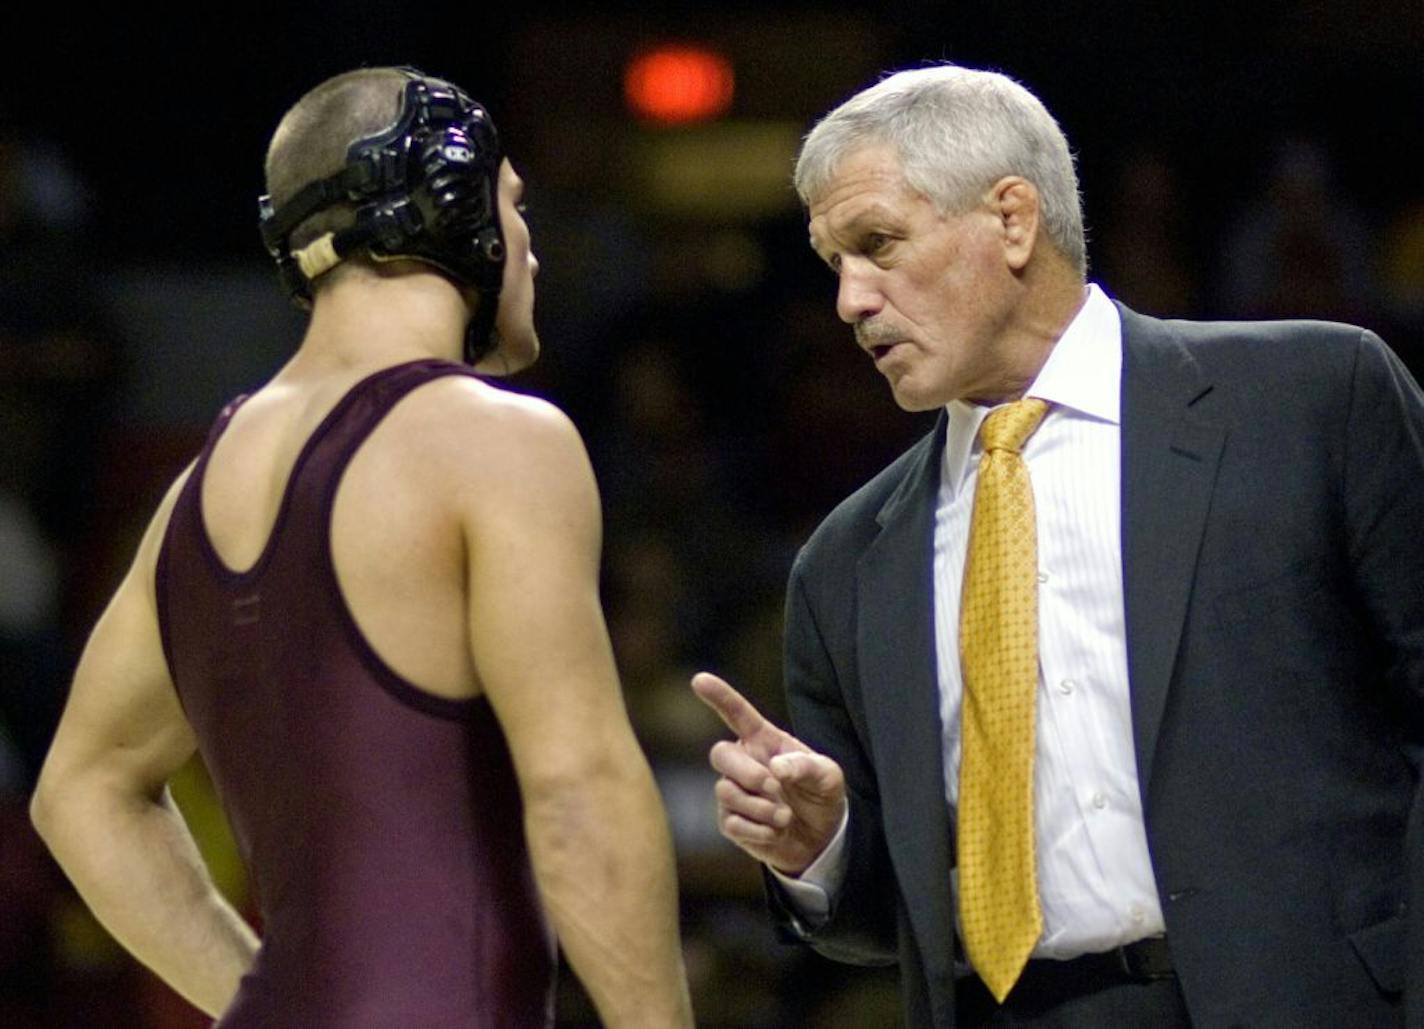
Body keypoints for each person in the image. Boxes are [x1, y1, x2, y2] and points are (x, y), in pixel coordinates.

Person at [693, 62, 1423, 1027]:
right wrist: (820, 849)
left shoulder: (1313, 402)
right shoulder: (846, 561)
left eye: (877, 246)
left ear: (1011, 220)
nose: (851, 302)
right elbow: (886, 915)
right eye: (837, 264)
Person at [29, 66, 693, 1027]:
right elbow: (578, 792)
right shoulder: (500, 439)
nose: (531, 253)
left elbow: (79, 791)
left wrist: (267, 997)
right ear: (450, 204)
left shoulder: (190, 494)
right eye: (514, 208)